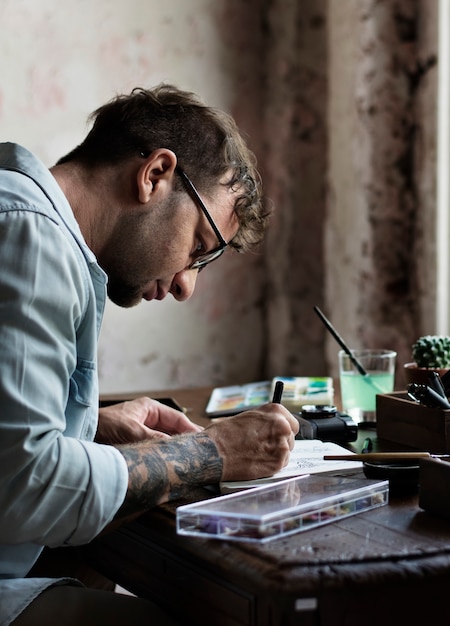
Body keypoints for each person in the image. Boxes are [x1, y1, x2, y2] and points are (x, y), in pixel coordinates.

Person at [0, 84, 300, 626]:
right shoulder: (28, 236)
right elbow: (25, 486)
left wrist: (85, 429)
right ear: (155, 175)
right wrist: (211, 453)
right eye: (199, 248)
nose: (186, 285)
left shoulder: (32, 229)